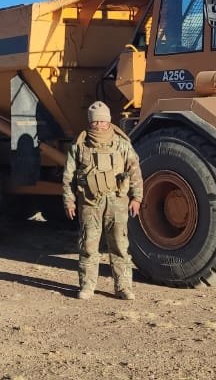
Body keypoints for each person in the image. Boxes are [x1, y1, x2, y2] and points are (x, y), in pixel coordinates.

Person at [61, 101, 143, 300]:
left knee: (120, 247)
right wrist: (69, 201)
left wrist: (137, 198)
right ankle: (87, 287)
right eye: (95, 121)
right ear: (90, 122)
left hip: (117, 203)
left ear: (109, 121)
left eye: (102, 121)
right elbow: (68, 176)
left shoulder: (122, 144)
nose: (99, 125)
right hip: (90, 203)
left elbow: (135, 172)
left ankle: (123, 287)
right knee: (88, 247)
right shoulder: (79, 146)